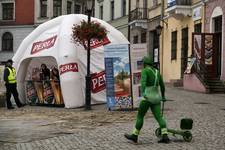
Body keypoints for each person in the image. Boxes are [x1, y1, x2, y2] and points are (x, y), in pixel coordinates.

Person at [124, 56, 170, 143]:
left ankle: (135, 135)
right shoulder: (157, 72)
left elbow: (143, 82)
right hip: (156, 97)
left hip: (148, 97)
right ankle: (165, 136)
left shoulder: (145, 71)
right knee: (159, 117)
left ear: (144, 64)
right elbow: (162, 86)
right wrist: (163, 96)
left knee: (140, 116)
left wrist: (144, 92)